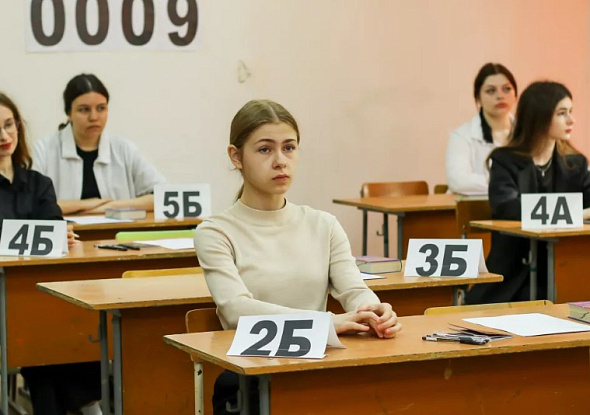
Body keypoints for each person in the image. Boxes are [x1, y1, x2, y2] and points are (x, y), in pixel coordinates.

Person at [194, 99, 402, 414]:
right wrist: (326, 323)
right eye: (265, 149)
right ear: (236, 157)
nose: (281, 161)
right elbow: (237, 310)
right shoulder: (215, 232)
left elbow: (353, 289)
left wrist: (374, 310)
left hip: (320, 368)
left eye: (289, 148)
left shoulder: (323, 224)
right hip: (252, 377)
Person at [0, 92, 100, 414]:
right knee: (39, 335)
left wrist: (60, 236)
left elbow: (54, 232)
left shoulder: (38, 183)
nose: (4, 136)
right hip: (7, 298)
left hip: (42, 295)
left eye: (9, 125)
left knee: (67, 327)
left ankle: (88, 406)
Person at [465, 81, 590, 304]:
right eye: (562, 113)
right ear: (539, 117)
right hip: (513, 273)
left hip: (565, 270)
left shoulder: (575, 163)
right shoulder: (505, 160)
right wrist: (576, 214)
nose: (571, 120)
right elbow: (506, 206)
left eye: (571, 111)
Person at [34, 74, 166, 215]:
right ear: (69, 113)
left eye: (101, 108)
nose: (94, 117)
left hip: (118, 228)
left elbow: (163, 196)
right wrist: (86, 204)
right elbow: (31, 202)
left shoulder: (124, 149)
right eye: (84, 110)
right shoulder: (44, 150)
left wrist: (110, 206)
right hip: (66, 229)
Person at [446, 63, 518, 194]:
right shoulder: (462, 135)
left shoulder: (529, 132)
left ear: (515, 95)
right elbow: (458, 180)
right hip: (473, 205)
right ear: (478, 97)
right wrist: (511, 183)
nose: (500, 96)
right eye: (491, 91)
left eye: (507, 89)